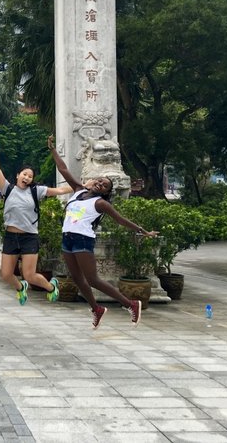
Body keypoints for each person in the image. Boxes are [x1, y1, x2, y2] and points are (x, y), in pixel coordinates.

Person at [47, 135, 159, 328]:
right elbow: (63, 169)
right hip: (68, 240)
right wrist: (53, 151)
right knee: (76, 278)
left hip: (83, 241)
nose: (100, 184)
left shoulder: (100, 203)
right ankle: (96, 309)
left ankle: (131, 304)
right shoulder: (79, 190)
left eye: (105, 185)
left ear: (106, 192)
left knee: (93, 279)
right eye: (100, 181)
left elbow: (121, 220)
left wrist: (143, 231)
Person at [0, 131, 71, 306]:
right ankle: (20, 288)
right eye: (24, 174)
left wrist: (80, 186)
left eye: (30, 176)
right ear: (18, 175)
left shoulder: (36, 191)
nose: (26, 177)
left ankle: (50, 287)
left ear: (32, 179)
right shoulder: (7, 189)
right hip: (11, 236)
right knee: (6, 275)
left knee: (29, 274)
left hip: (29, 237)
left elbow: (60, 191)